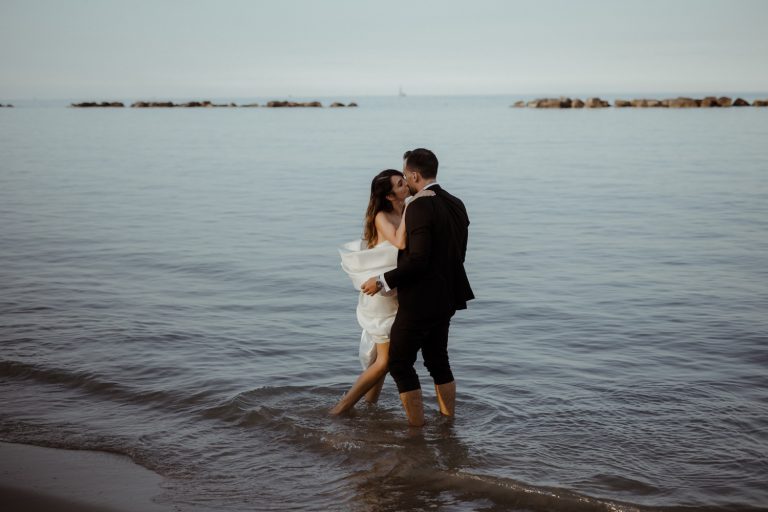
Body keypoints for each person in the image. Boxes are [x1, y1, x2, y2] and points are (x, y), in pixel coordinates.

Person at [361, 148, 474, 427]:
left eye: (405, 176)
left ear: (413, 174)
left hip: (421, 299)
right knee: (438, 361)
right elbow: (459, 252)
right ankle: (448, 424)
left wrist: (382, 280)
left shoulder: (419, 205)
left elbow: (418, 259)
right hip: (448, 295)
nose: (405, 182)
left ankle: (416, 431)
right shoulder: (456, 202)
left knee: (399, 363)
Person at [331, 169, 434, 415]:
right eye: (400, 184)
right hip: (381, 298)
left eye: (404, 180)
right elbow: (400, 243)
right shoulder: (382, 216)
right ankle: (340, 409)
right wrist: (414, 204)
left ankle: (369, 408)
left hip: (396, 293)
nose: (405, 185)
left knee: (382, 360)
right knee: (385, 361)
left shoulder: (405, 208)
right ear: (389, 196)